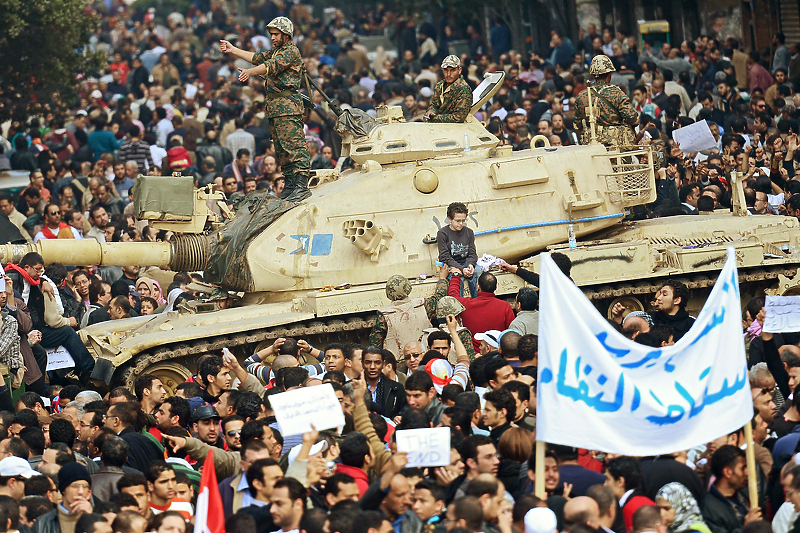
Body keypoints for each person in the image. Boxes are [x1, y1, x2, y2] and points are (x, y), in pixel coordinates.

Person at [220, 17, 311, 203]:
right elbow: (257, 58)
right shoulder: (277, 51)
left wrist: (250, 72)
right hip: (277, 107)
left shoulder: (290, 51)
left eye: (276, 34)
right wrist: (233, 49)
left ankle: (301, 185)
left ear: (286, 35)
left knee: (294, 146)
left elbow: (269, 66)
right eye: (271, 35)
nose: (273, 38)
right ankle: (291, 183)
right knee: (281, 149)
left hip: (288, 106)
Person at [574, 55, 638, 147]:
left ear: (592, 75)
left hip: (591, 149)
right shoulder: (617, 93)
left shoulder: (582, 95)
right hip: (616, 149)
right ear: (609, 75)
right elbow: (634, 120)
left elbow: (577, 125)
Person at [700, 445, 761, 532]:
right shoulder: (709, 509)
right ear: (727, 472)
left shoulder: (745, 495)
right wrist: (746, 528)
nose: (747, 472)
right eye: (742, 468)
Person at [437, 202, 479, 298]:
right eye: (458, 221)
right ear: (449, 219)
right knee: (456, 279)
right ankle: (459, 306)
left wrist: (470, 265)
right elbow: (444, 256)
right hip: (452, 265)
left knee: (477, 273)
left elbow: (472, 254)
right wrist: (461, 269)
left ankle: (477, 302)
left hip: (466, 263)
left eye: (463, 221)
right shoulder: (442, 233)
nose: (461, 224)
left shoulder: (469, 232)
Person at [424, 56, 472, 123]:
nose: (448, 74)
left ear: (459, 70)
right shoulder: (439, 85)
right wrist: (431, 112)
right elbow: (434, 105)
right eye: (446, 70)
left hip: (456, 130)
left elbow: (458, 117)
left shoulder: (463, 89)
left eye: (453, 70)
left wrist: (434, 118)